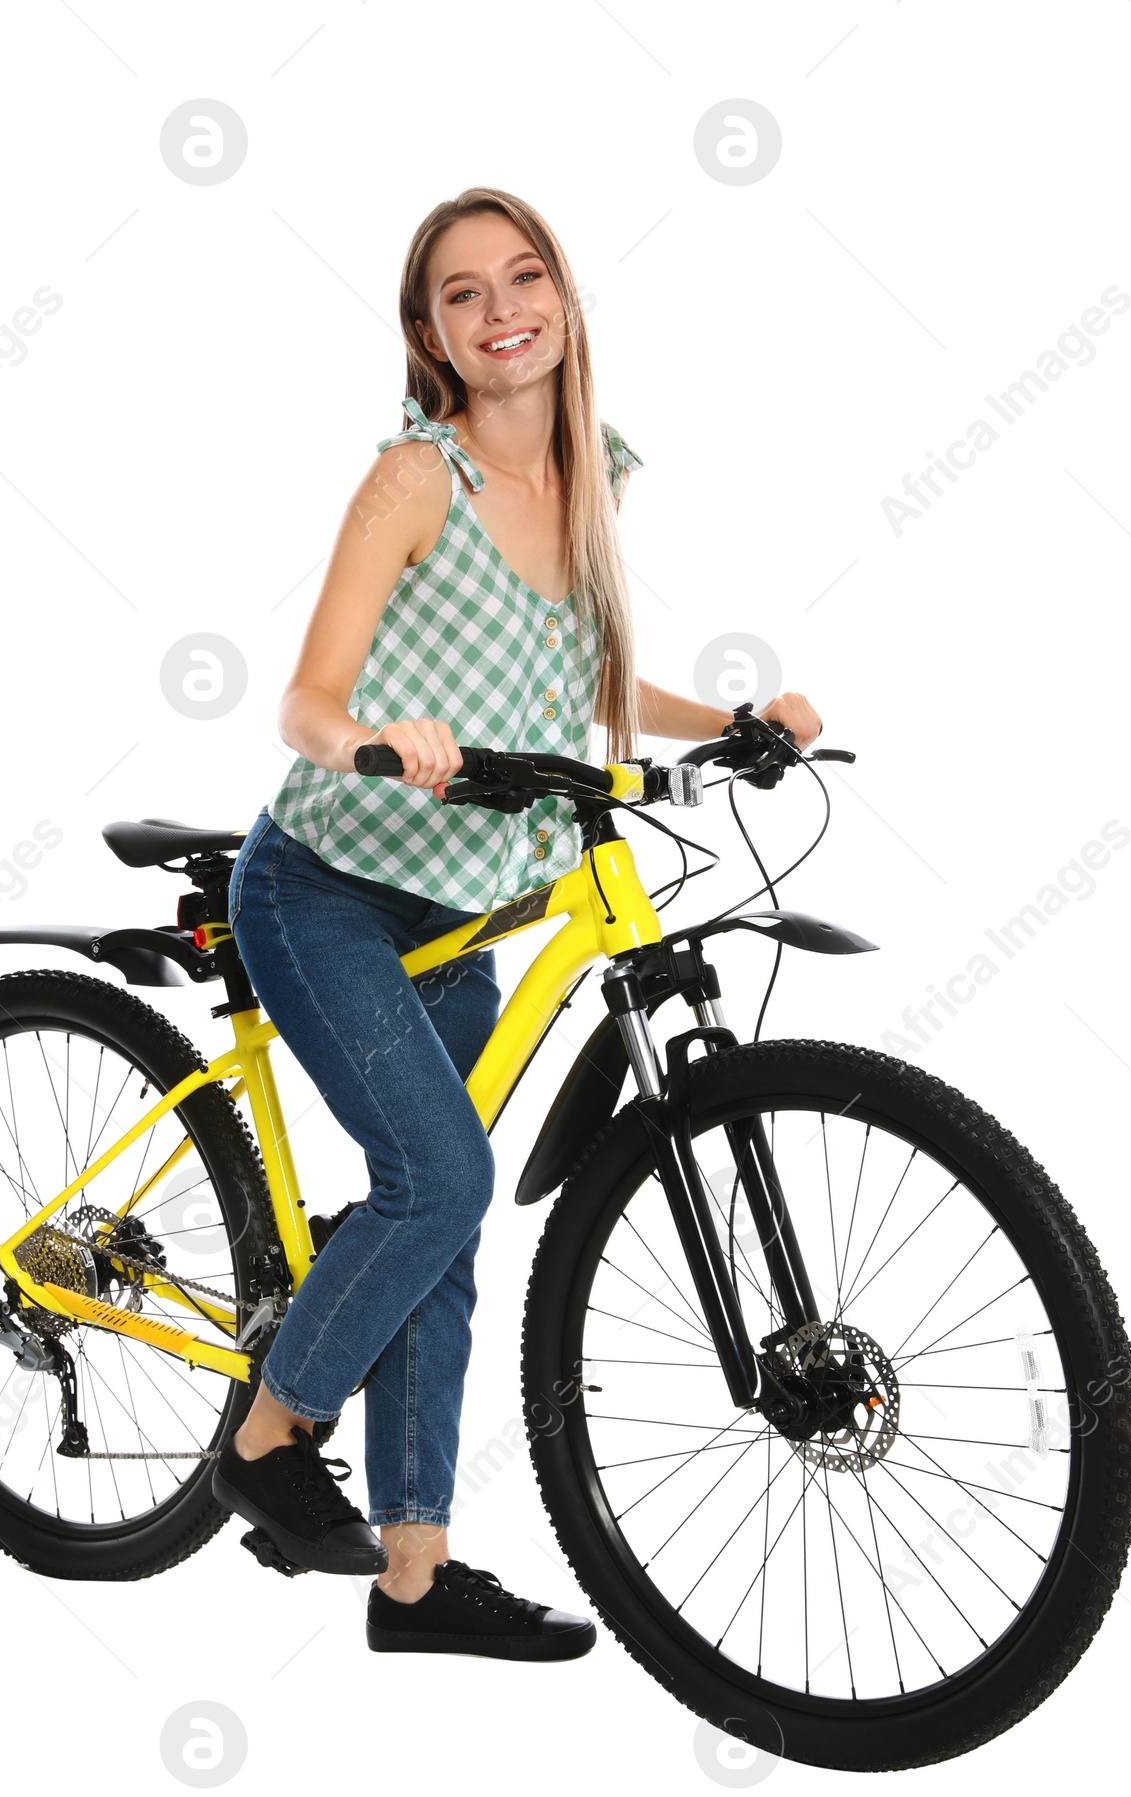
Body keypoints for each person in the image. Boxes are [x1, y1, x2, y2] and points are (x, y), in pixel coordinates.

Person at [214, 187, 821, 1661]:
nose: (501, 312)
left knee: (443, 1213)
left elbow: (600, 684)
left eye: (524, 277)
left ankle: (413, 1581)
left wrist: (733, 721)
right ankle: (270, 1431)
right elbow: (304, 699)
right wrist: (375, 736)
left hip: (462, 910)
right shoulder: (411, 481)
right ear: (429, 335)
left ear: (563, 296)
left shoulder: (591, 474)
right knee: (441, 1178)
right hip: (327, 888)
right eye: (462, 295)